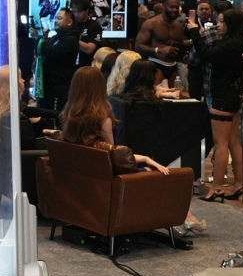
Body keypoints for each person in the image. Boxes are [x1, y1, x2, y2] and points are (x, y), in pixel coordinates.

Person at [57, 67, 206, 235]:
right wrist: (145, 159)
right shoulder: (103, 119)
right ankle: (184, 218)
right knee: (160, 175)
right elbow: (112, 154)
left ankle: (182, 220)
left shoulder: (70, 116)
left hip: (89, 174)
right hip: (109, 176)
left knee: (150, 171)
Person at [191, 9, 243, 205]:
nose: (218, 25)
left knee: (221, 143)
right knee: (233, 142)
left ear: (231, 24)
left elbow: (205, 54)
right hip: (231, 95)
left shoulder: (230, 45)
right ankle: (239, 183)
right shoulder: (239, 42)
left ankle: (216, 188)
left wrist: (194, 32)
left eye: (222, 22)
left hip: (223, 97)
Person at [34, 7, 79, 113]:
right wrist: (40, 40)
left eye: (59, 18)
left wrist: (39, 38)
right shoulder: (56, 37)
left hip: (58, 87)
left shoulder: (70, 40)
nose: (55, 21)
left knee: (54, 116)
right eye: (55, 18)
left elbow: (51, 52)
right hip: (46, 86)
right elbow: (41, 50)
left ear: (69, 22)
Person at [135, 0, 189, 82]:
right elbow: (138, 46)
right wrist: (158, 50)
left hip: (173, 65)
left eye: (177, 7)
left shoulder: (179, 26)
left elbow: (180, 45)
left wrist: (185, 54)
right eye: (172, 7)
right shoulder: (151, 23)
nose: (175, 10)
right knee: (156, 90)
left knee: (175, 90)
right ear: (163, 6)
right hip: (156, 63)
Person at [69, 0, 101, 67]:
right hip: (69, 66)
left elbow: (89, 49)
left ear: (87, 10)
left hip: (86, 66)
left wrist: (71, 39)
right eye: (74, 11)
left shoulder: (95, 26)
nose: (76, 15)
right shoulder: (70, 24)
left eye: (79, 12)